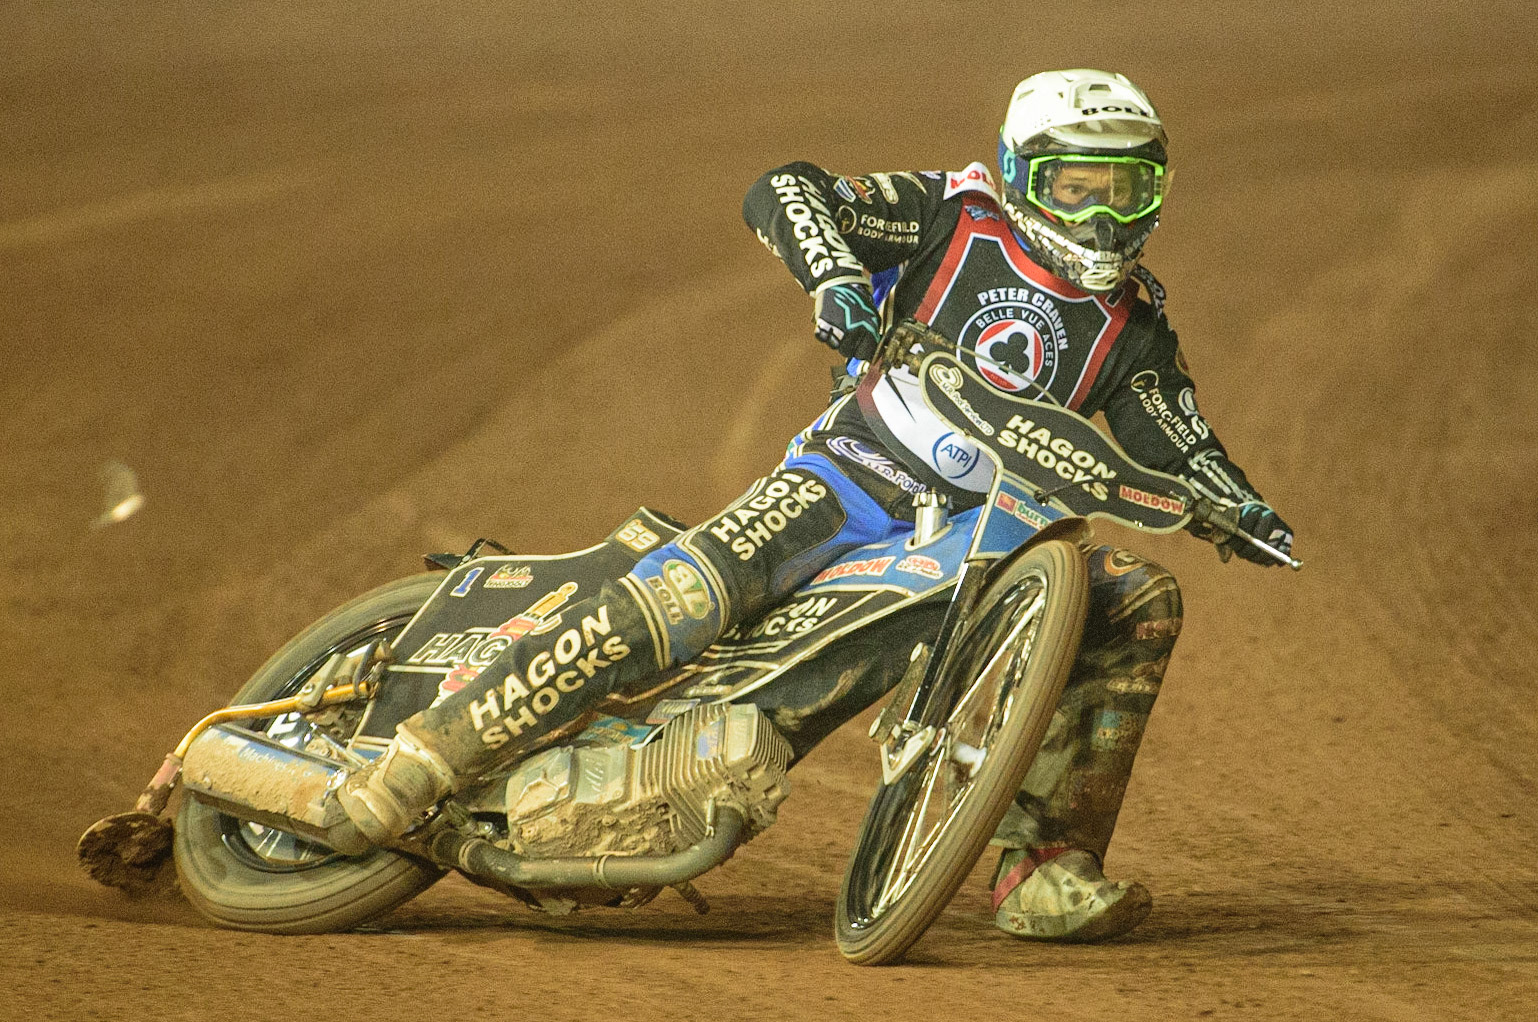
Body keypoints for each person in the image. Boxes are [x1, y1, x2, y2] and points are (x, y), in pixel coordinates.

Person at [331, 69, 1294, 943]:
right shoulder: (951, 218)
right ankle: (428, 756)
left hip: (977, 534)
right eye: (1073, 186)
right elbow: (786, 186)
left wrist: (1238, 506)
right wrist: (835, 277)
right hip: (844, 478)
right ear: (1018, 175)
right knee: (691, 599)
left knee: (1138, 598)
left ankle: (1044, 865)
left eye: (1125, 190)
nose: (1099, 215)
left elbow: (1182, 437)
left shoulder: (1135, 329)